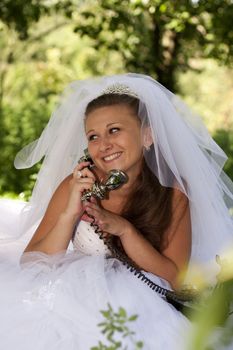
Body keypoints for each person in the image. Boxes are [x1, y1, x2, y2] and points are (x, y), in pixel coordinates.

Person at [0, 73, 232, 349]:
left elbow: (175, 277)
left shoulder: (174, 193)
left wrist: (124, 229)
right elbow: (33, 263)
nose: (103, 144)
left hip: (143, 300)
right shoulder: (77, 183)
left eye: (114, 130)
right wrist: (70, 214)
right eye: (93, 136)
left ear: (147, 135)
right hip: (76, 290)